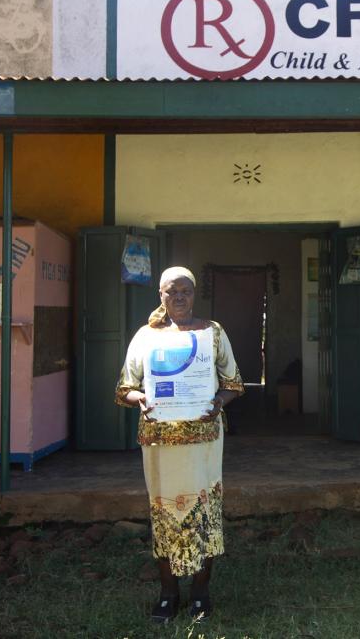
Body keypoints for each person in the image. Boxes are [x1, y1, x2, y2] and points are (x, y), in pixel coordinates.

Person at [115, 266, 244, 622]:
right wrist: (141, 398)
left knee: (203, 511)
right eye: (172, 292)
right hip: (160, 443)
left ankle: (201, 593)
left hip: (203, 440)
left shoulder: (213, 333)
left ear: (194, 292)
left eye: (185, 291)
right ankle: (168, 594)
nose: (180, 298)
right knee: (165, 512)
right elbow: (125, 388)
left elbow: (232, 383)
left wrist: (218, 403)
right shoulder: (145, 336)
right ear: (161, 296)